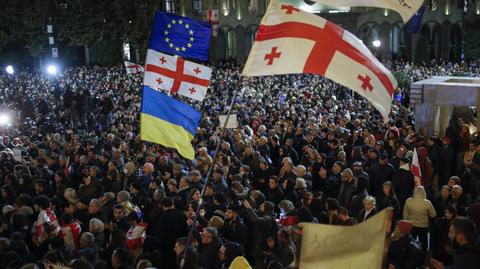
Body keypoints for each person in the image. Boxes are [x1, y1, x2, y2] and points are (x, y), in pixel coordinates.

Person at [403, 186, 437, 258]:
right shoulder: (427, 202)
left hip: (411, 225)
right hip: (423, 226)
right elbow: (433, 215)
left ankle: (411, 260)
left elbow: (405, 215)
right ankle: (422, 260)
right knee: (423, 246)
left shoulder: (408, 201)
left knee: (411, 244)